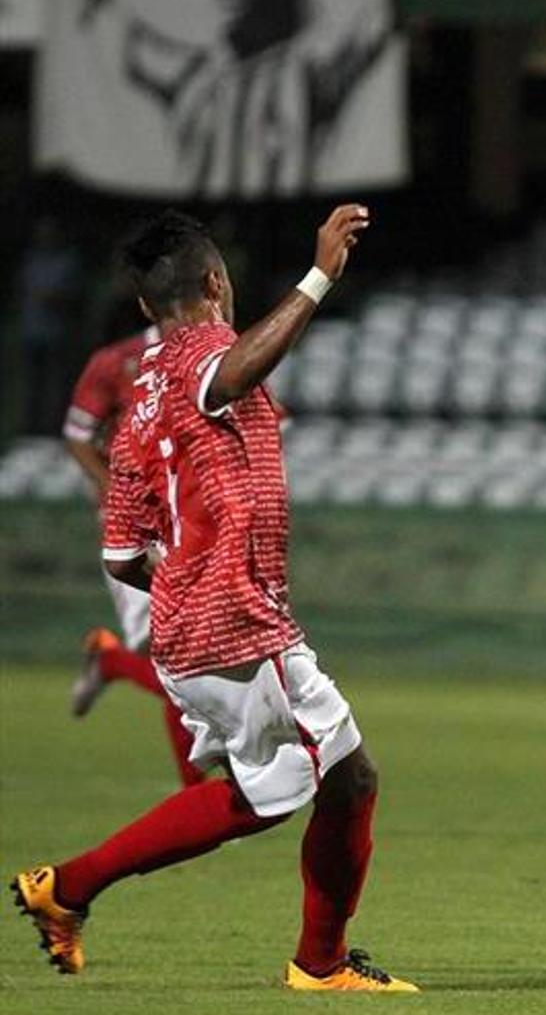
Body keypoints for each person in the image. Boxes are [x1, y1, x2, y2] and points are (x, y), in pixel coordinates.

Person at [12, 206, 416, 992]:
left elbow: (121, 553)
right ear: (216, 283)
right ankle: (73, 887)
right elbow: (228, 377)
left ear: (141, 308)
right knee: (279, 792)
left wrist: (188, 579)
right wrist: (321, 276)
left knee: (334, 777)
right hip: (235, 621)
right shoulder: (207, 353)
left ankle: (315, 960)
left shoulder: (136, 408)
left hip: (204, 621)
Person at [62, 321, 203, 787]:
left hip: (192, 519)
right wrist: (114, 492)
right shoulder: (116, 361)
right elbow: (78, 434)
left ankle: (110, 660)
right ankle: (200, 793)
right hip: (136, 527)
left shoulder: (218, 354)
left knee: (189, 658)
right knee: (171, 658)